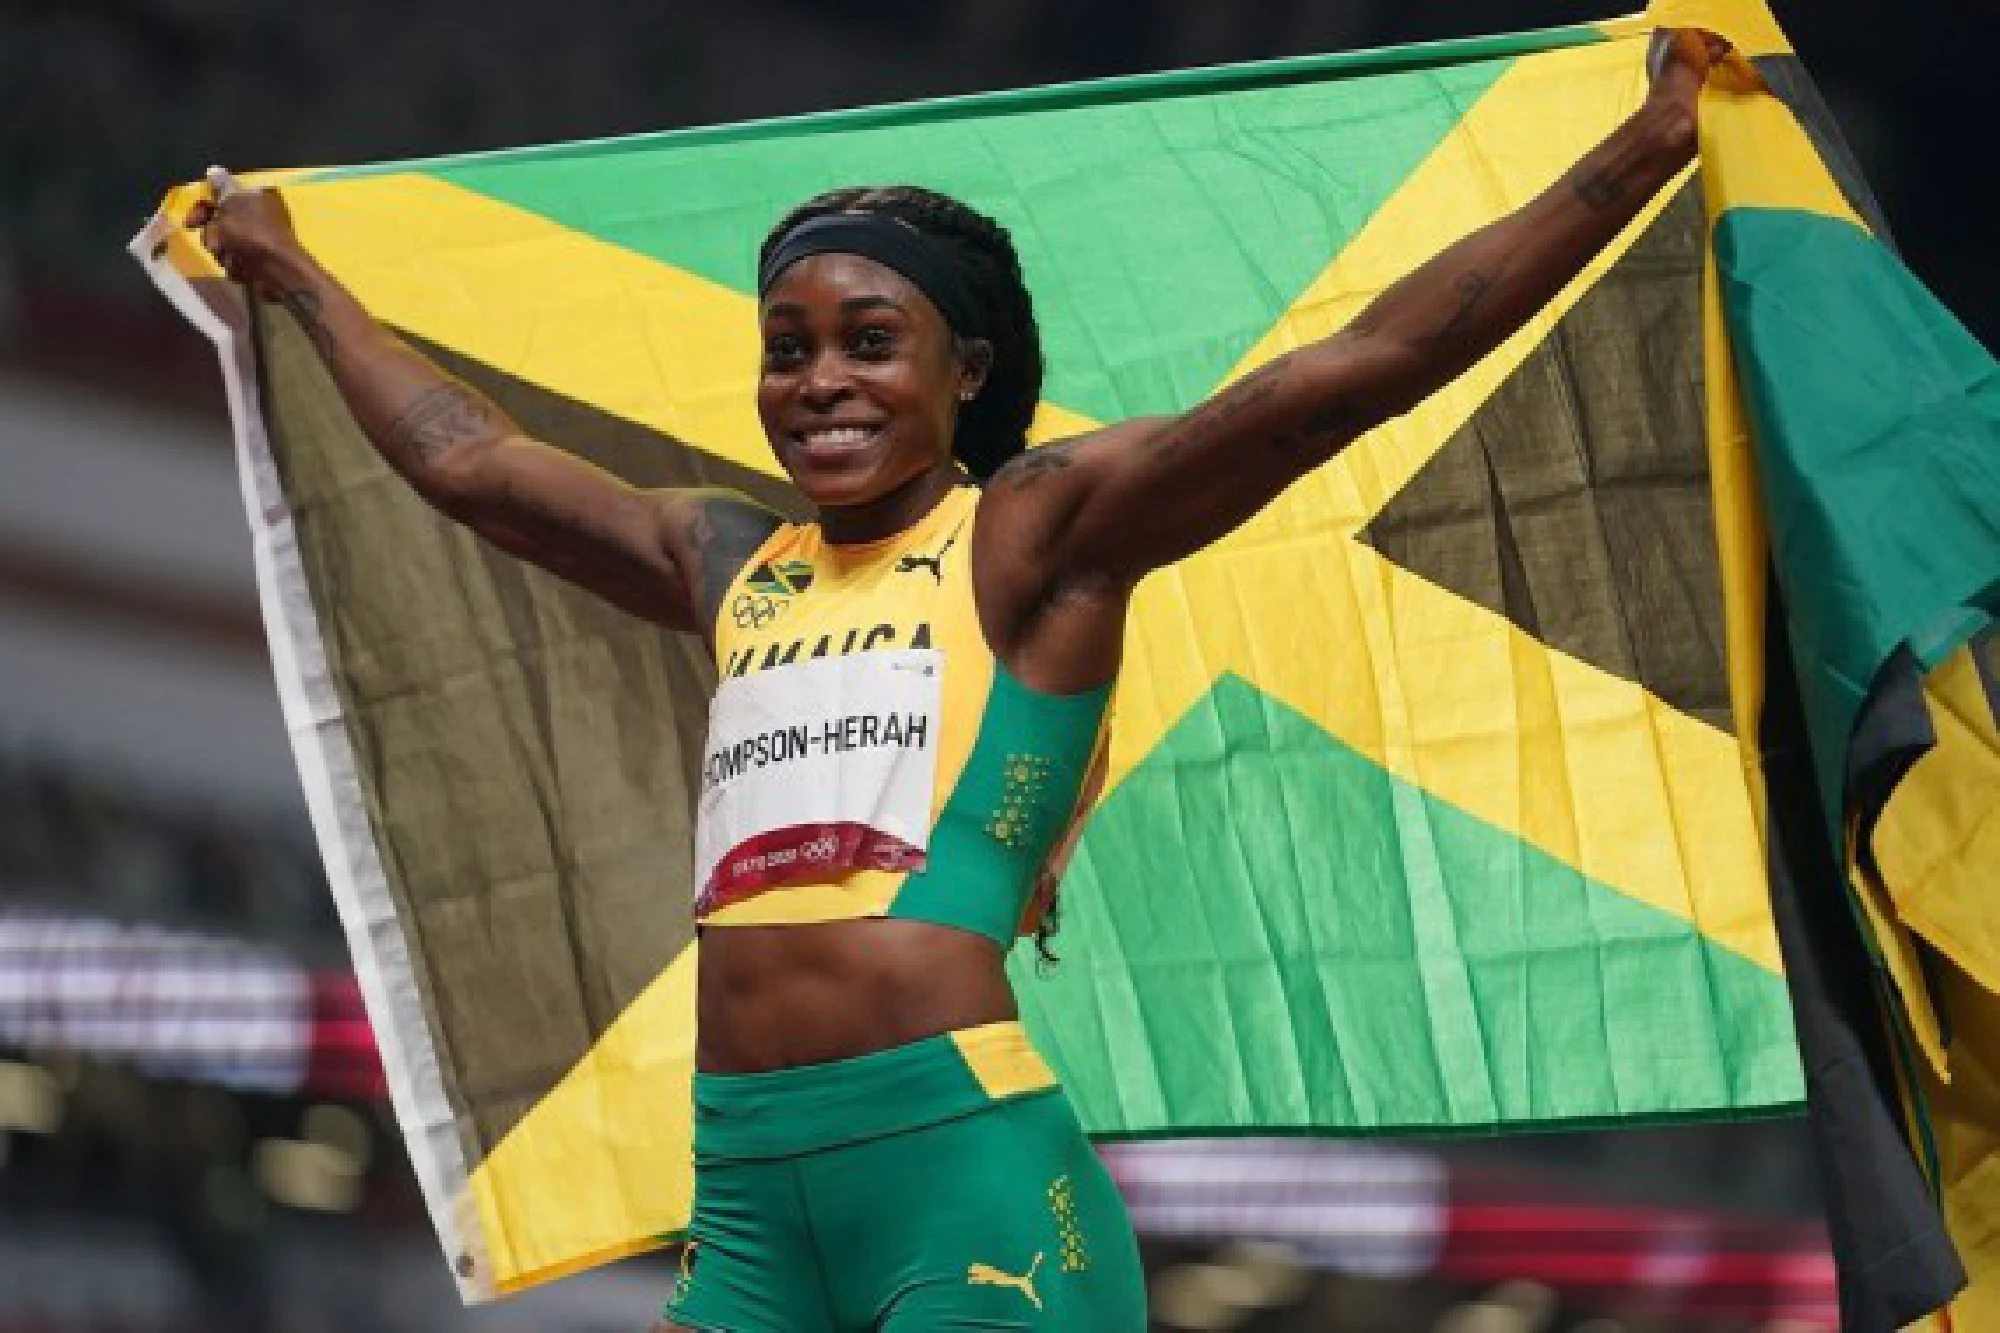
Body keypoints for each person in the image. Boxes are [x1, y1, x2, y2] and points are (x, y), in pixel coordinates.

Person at [191, 28, 1728, 1331]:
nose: (822, 382)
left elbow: (1352, 371)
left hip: (957, 1166)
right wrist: (292, 276)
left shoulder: (1033, 538)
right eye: (788, 348)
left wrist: (1644, 145)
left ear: (968, 371)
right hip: (740, 1184)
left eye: (872, 340)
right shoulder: (730, 563)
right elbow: (474, 463)